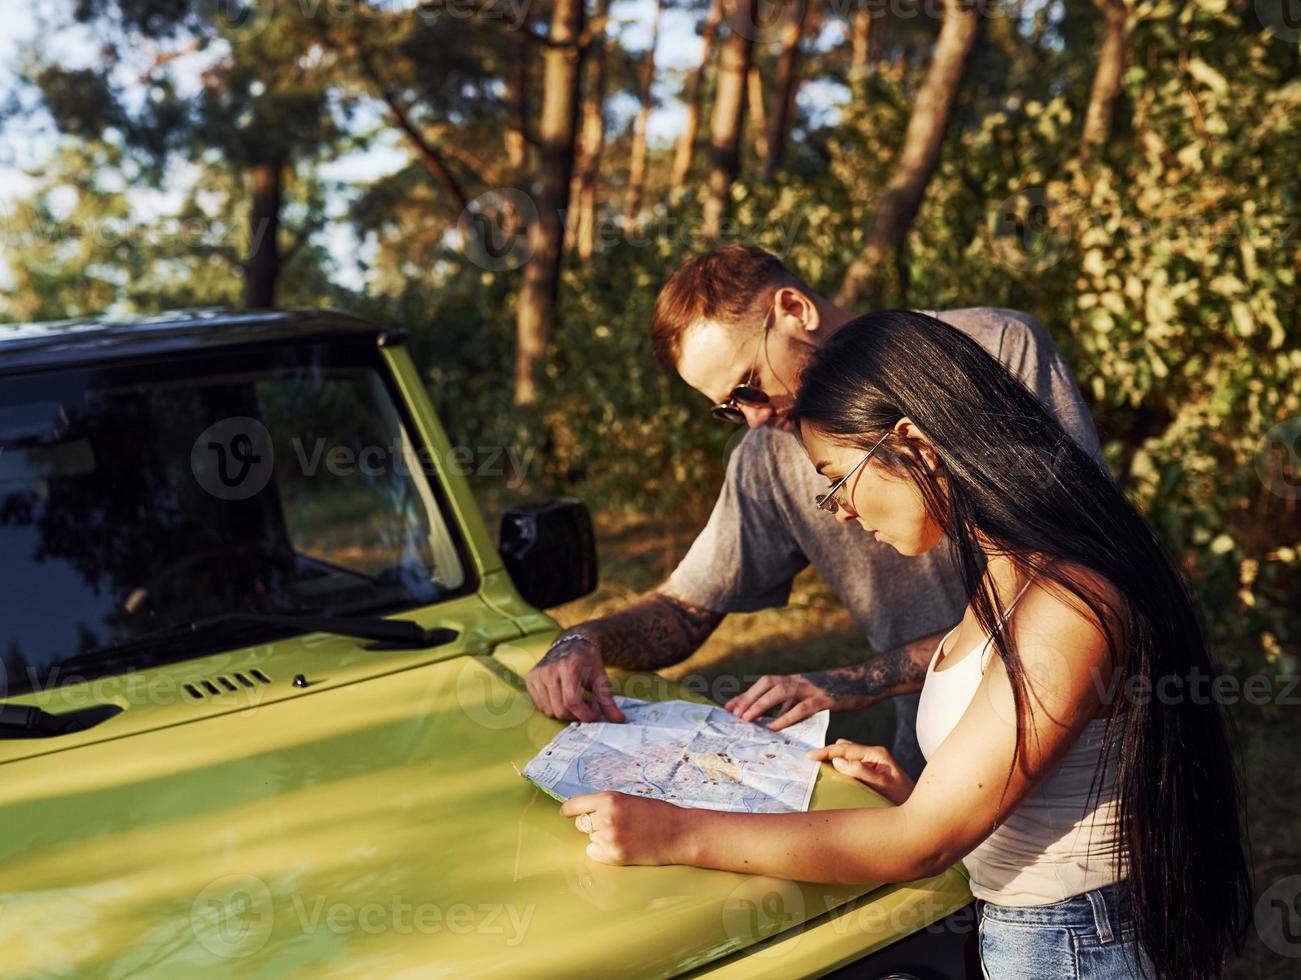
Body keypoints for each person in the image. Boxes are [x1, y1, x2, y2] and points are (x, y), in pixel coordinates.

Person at [557, 310, 1252, 980]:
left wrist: (672, 832)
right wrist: (917, 790)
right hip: (1036, 930)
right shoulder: (1001, 570)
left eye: (836, 479)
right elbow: (1024, 786)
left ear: (915, 445)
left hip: (1070, 946)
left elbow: (925, 843)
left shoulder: (1064, 605)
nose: (842, 510)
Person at [525, 244, 1106, 778]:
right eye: (729, 408)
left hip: (1075, 753)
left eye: (748, 385)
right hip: (931, 758)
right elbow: (686, 608)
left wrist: (855, 682)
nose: (752, 417)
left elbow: (1079, 570)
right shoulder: (767, 455)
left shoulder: (995, 351)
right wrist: (585, 639)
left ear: (794, 308)